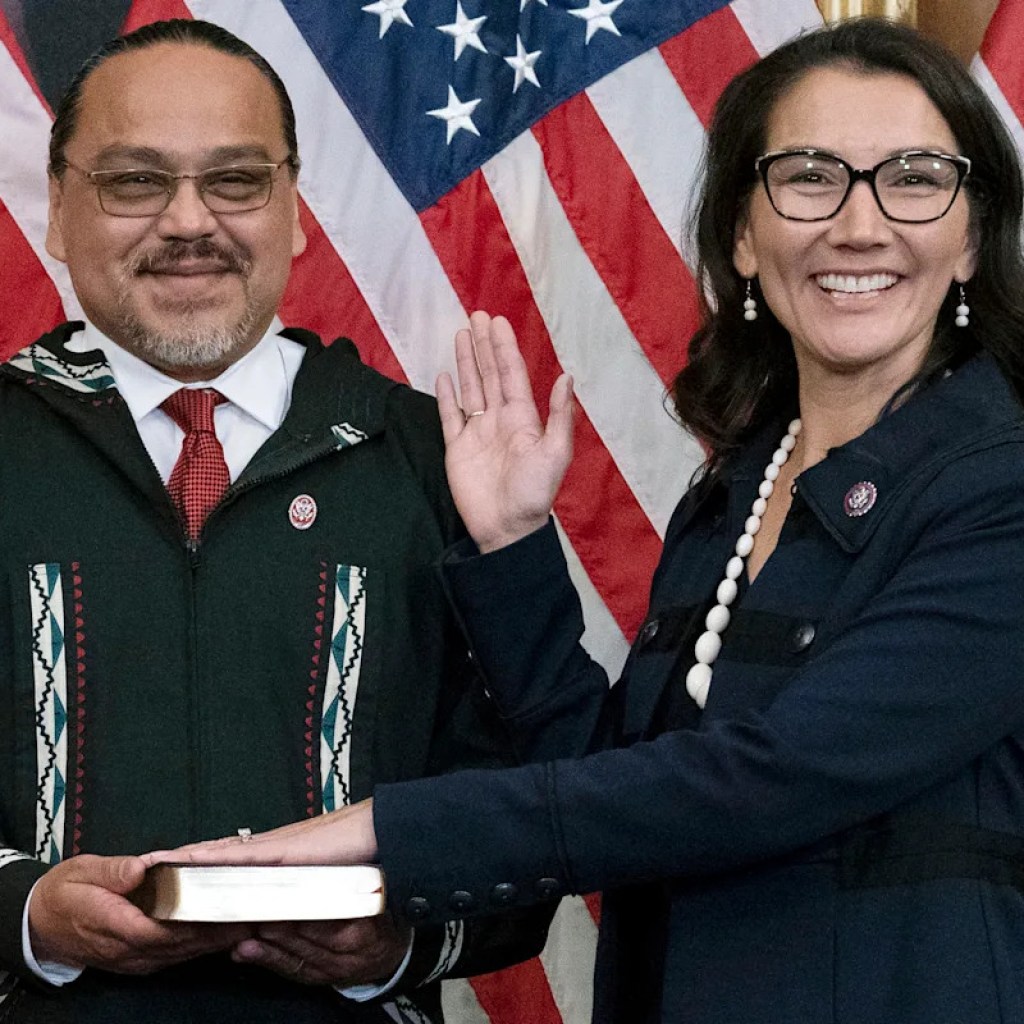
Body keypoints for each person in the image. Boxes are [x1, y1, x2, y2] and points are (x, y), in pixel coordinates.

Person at [165, 17, 1024, 1024]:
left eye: (914, 179)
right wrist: (513, 543)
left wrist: (388, 831)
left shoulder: (1000, 484)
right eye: (808, 176)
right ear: (743, 234)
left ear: (970, 236)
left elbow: (767, 781)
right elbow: (620, 787)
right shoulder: (736, 494)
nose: (860, 225)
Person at [0, 18, 550, 1024]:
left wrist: (401, 933)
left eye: (236, 181)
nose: (188, 221)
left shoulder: (435, 460)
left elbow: (543, 807)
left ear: (295, 210)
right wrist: (24, 910)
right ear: (57, 212)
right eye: (134, 181)